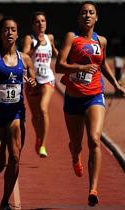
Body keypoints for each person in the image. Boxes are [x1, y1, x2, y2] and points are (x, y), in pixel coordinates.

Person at [55, 1, 125, 207]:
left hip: (95, 95)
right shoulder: (72, 37)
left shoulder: (101, 41)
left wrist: (116, 85)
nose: (87, 15)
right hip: (73, 98)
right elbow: (59, 66)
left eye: (91, 13)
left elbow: (102, 65)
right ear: (79, 18)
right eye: (83, 13)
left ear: (96, 18)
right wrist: (80, 68)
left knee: (94, 139)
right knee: (77, 144)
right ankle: (74, 154)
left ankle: (93, 188)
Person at [0, 17, 36, 209]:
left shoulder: (25, 59)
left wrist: (33, 85)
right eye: (6, 29)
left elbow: (32, 82)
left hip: (16, 114)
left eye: (13, 29)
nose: (10, 33)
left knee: (15, 157)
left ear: (18, 34)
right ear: (0, 34)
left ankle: (5, 200)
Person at [22, 11, 58, 158]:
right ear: (33, 25)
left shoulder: (50, 37)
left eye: (43, 21)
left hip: (47, 79)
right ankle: (38, 137)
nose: (40, 24)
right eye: (37, 21)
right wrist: (36, 46)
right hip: (32, 80)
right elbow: (24, 56)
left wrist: (58, 53)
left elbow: (55, 52)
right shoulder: (29, 39)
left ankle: (43, 144)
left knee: (43, 109)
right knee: (35, 116)